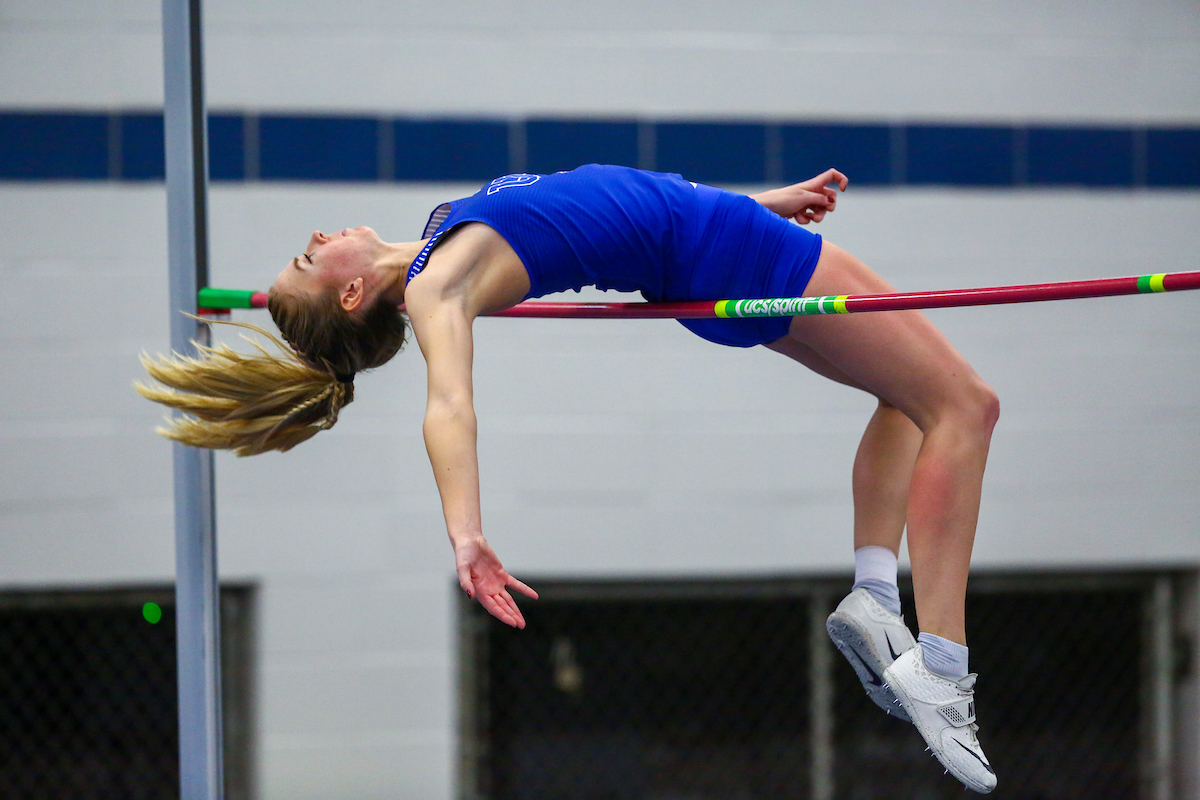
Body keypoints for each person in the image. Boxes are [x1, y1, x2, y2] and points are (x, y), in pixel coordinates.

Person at [138, 164, 1000, 793]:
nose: (319, 237)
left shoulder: (437, 234)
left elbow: (619, 202)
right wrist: (465, 533)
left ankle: (875, 597)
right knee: (967, 406)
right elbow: (449, 406)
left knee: (907, 401)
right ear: (356, 292)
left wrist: (758, 202)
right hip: (726, 253)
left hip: (713, 246)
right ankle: (942, 666)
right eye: (306, 256)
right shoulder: (440, 284)